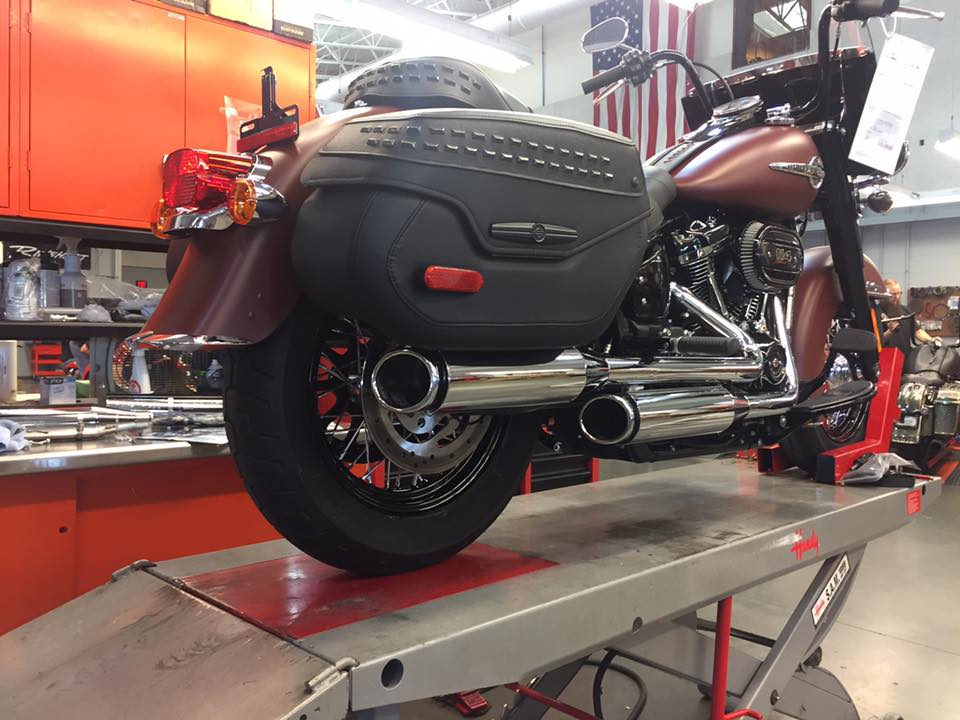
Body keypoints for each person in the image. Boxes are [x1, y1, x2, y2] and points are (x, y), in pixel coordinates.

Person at [879, 278, 939, 356]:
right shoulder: (876, 312)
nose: (896, 297)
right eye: (893, 294)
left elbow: (917, 331)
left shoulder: (906, 311)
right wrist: (890, 331)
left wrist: (931, 340)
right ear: (884, 294)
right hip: (886, 359)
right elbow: (877, 340)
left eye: (898, 293)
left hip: (905, 357)